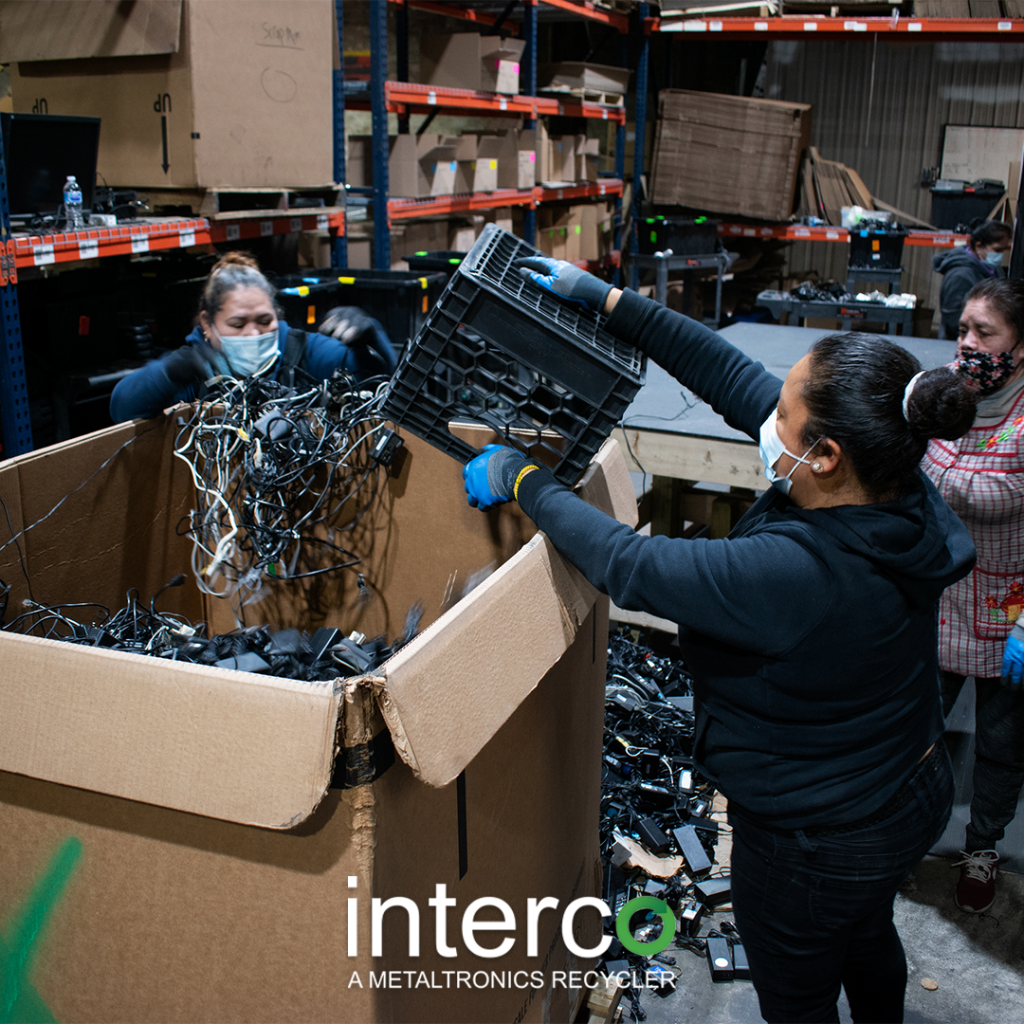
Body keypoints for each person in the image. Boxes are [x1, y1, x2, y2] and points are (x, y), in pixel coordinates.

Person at [461, 257, 978, 1024]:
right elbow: (730, 376)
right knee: (867, 933)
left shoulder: (797, 573)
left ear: (826, 456)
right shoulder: (898, 480)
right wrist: (605, 297)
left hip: (818, 838)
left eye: (787, 416)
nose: (770, 420)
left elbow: (626, 564)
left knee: (798, 991)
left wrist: (523, 477)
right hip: (909, 785)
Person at [922, 276, 1024, 916]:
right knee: (918, 734)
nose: (968, 344)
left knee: (1002, 742)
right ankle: (903, 838)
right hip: (939, 597)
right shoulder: (940, 398)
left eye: (984, 333)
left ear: (1020, 346)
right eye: (963, 330)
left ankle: (982, 846)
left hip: (1011, 609)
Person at [110, 252, 398, 422]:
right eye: (237, 324)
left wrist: (372, 338)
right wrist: (169, 374)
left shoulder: (301, 350)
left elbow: (379, 381)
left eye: (264, 320)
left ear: (278, 314)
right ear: (207, 325)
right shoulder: (197, 364)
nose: (253, 333)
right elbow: (122, 408)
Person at [933, 219, 1012, 341]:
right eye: (997, 250)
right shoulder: (960, 276)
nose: (1000, 255)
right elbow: (954, 320)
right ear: (979, 246)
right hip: (960, 342)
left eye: (1003, 250)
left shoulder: (993, 270)